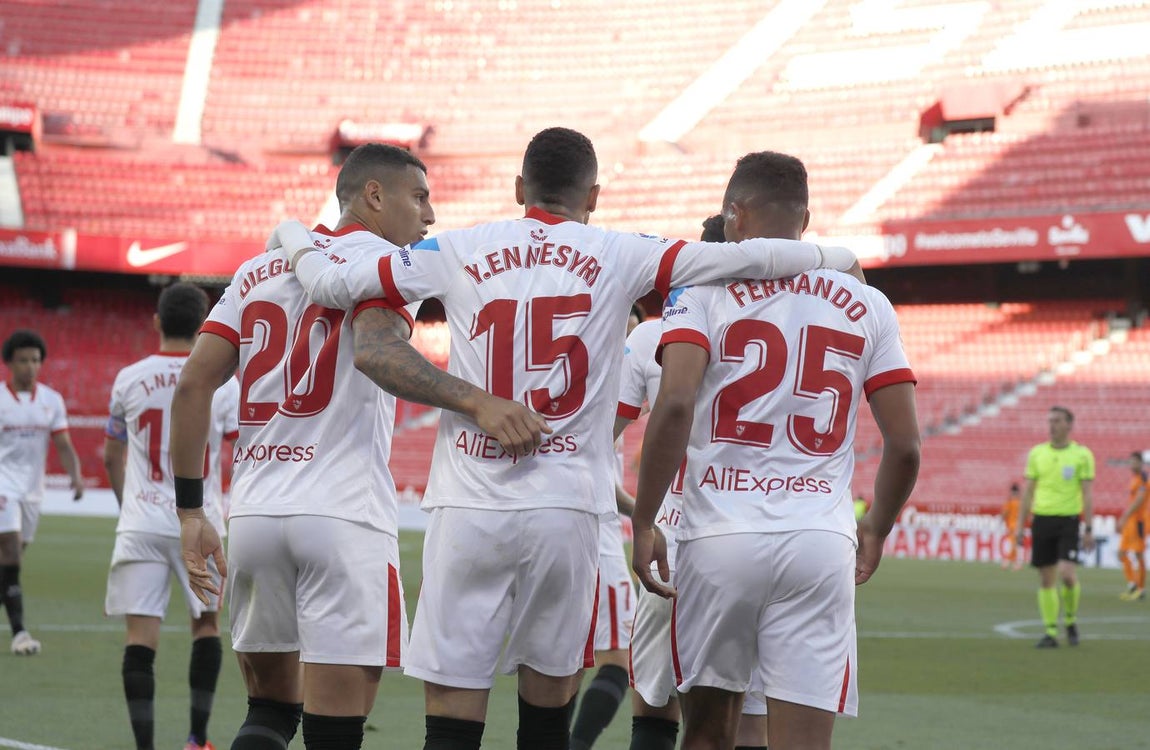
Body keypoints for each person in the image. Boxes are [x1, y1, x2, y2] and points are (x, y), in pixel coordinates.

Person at [283, 127, 862, 750]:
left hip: (470, 506)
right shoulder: (621, 251)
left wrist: (290, 235)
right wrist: (837, 257)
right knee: (547, 713)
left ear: (518, 188)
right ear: (594, 194)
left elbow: (333, 286)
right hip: (568, 509)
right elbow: (746, 257)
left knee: (451, 715)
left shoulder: (457, 248)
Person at [173, 143, 547, 750]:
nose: (430, 215)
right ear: (374, 195)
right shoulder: (388, 267)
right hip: (344, 515)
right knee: (335, 732)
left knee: (267, 715)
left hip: (257, 513)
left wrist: (192, 512)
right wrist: (478, 401)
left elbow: (192, 385)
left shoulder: (255, 271)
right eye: (419, 197)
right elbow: (379, 353)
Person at [631, 151, 920, 750]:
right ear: (805, 219)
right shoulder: (868, 302)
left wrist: (642, 520)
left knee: (708, 735)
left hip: (719, 538)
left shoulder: (702, 289)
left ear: (733, 214)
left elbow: (677, 403)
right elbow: (906, 444)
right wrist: (877, 529)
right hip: (820, 538)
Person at [616, 215, 767, 750]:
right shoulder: (791, 322)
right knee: (749, 713)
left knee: (656, 702)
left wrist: (640, 514)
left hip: (680, 534)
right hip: (768, 531)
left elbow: (598, 446)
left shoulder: (658, 332)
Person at [103, 283, 239, 750]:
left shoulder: (129, 379)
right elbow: (235, 454)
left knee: (140, 638)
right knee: (206, 626)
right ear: (205, 325)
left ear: (157, 321)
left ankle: (145, 746)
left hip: (142, 522)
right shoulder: (221, 382)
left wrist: (130, 508)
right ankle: (197, 739)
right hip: (200, 521)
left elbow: (111, 454)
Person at [568, 303, 645, 750]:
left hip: (558, 521)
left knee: (564, 659)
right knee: (618, 658)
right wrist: (646, 514)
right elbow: (596, 473)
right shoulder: (604, 387)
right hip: (595, 531)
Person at [0, 329, 84, 655]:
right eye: (23, 360)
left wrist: (76, 476)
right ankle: (20, 634)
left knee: (12, 560)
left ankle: (14, 617)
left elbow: (63, 444)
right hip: (3, 485)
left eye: (35, 360)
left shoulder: (51, 400)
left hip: (33, 491)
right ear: (9, 363)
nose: (30, 367)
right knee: (9, 551)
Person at [1015, 406, 1095, 648]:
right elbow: (1028, 492)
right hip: (1042, 520)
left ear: (1069, 425)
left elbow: (1088, 494)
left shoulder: (1082, 455)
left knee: (1067, 574)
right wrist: (1020, 525)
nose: (1052, 425)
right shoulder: (1037, 453)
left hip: (1069, 521)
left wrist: (1089, 528)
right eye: (1050, 421)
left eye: (1058, 421)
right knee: (1046, 578)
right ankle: (1050, 632)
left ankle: (1070, 620)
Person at [1115, 452, 1146, 600]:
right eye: (1130, 462)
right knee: (1121, 553)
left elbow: (1140, 500)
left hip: (1140, 521)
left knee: (1138, 553)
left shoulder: (1144, 478)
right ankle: (1132, 586)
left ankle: (1140, 589)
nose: (1132, 464)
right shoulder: (1134, 478)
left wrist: (1124, 516)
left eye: (1135, 462)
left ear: (1141, 463)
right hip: (1130, 521)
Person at [1000, 483, 1023, 570]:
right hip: (1020, 526)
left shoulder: (1010, 502)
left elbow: (1005, 513)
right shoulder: (1021, 502)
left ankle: (1008, 562)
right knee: (1017, 545)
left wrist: (1001, 520)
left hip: (1012, 526)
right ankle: (1016, 563)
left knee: (1013, 545)